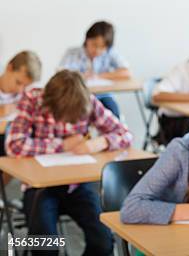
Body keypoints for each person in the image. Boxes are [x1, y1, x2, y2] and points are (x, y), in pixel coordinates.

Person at [6, 70, 133, 256]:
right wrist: (61, 145)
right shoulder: (32, 100)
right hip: (40, 187)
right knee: (45, 247)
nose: (67, 122)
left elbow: (125, 134)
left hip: (78, 185)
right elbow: (14, 145)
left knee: (103, 241)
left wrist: (97, 143)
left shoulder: (86, 100)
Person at [59, 20, 130, 117]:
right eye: (94, 45)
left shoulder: (109, 53)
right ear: (87, 39)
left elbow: (126, 72)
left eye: (102, 47)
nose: (97, 50)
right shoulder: (72, 53)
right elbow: (61, 74)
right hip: (80, 97)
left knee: (113, 112)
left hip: (104, 96)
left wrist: (98, 76)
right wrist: (81, 76)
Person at [0, 51, 42, 160]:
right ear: (9, 68)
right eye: (18, 82)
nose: (20, 89)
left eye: (25, 86)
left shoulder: (26, 96)